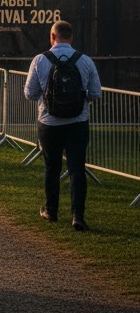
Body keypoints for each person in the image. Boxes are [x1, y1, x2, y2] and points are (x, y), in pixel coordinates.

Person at [24, 20, 102, 232]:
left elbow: (30, 93)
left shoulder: (40, 60)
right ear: (71, 37)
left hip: (49, 123)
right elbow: (95, 92)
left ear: (52, 36)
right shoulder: (85, 60)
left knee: (52, 167)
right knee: (77, 169)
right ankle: (78, 216)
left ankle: (51, 210)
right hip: (78, 122)